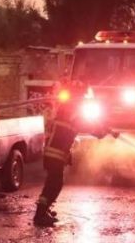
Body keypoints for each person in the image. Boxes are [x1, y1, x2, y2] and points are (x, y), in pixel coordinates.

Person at [34, 83, 113, 227]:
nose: (84, 99)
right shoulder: (73, 112)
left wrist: (103, 128)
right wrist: (103, 131)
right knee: (54, 184)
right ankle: (40, 215)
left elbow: (87, 124)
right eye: (83, 97)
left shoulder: (67, 110)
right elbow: (91, 128)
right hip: (55, 154)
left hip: (53, 153)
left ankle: (44, 211)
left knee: (52, 183)